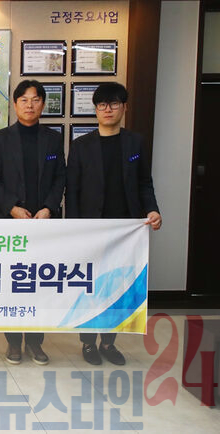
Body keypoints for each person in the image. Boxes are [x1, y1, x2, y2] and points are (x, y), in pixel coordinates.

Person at [66, 82, 162, 366]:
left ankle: (109, 342)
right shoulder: (81, 146)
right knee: (92, 288)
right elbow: (72, 191)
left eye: (114, 104)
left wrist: (152, 209)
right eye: (102, 105)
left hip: (125, 231)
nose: (108, 110)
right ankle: (88, 343)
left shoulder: (135, 143)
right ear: (96, 110)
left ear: (124, 108)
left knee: (118, 286)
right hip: (91, 229)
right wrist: (73, 229)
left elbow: (144, 182)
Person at [0, 79, 65, 365]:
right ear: (15, 104)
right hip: (10, 222)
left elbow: (60, 176)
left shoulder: (53, 139)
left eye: (35, 99)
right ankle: (13, 342)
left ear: (42, 104)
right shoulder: (0, 138)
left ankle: (35, 342)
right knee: (12, 283)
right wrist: (11, 208)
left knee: (38, 284)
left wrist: (48, 208)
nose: (29, 105)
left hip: (44, 224)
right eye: (24, 100)